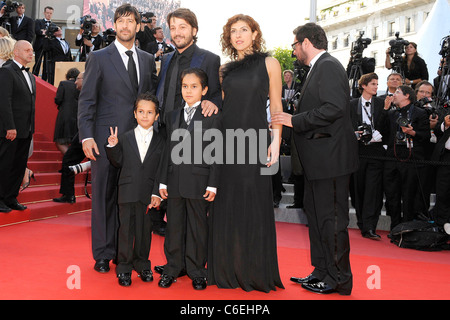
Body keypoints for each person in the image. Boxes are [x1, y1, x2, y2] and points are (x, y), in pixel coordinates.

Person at [271, 23, 358, 295]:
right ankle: (321, 271)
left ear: (306, 42)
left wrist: (294, 120)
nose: (294, 50)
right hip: (317, 162)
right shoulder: (317, 69)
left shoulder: (329, 66)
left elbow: (334, 108)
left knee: (331, 221)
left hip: (330, 161)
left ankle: (339, 279)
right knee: (318, 218)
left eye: (295, 45)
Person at [78, 3, 158, 274]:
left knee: (133, 199)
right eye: (120, 21)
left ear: (138, 26)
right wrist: (86, 136)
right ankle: (103, 252)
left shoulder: (147, 59)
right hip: (104, 139)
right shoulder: (99, 57)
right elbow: (87, 100)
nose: (125, 26)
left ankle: (126, 253)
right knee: (104, 196)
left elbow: (150, 100)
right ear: (114, 25)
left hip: (138, 142)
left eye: (130, 21)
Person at [207, 14, 284, 293]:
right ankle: (227, 269)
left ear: (254, 34)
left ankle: (252, 272)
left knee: (253, 204)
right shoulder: (225, 70)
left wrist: (275, 142)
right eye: (233, 32)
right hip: (227, 143)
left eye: (243, 30)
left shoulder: (270, 63)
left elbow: (276, 106)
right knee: (226, 204)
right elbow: (222, 107)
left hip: (255, 142)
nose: (238, 35)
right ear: (228, 38)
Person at [152, 7, 221, 250]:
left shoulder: (210, 59)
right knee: (167, 199)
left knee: (191, 209)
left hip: (192, 142)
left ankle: (190, 261)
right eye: (173, 27)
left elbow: (215, 97)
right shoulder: (166, 58)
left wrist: (212, 101)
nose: (177, 32)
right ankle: (174, 260)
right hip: (163, 133)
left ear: (194, 29)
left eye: (183, 27)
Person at [158, 68, 221, 290]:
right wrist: (162, 181)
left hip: (199, 181)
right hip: (174, 181)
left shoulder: (212, 116)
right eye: (185, 86)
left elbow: (215, 152)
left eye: (194, 86)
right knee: (173, 226)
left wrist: (213, 183)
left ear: (204, 90)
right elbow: (168, 150)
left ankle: (196, 270)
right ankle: (173, 267)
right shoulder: (172, 115)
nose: (188, 90)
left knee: (197, 227)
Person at [106, 93, 165, 287]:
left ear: (156, 116)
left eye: (150, 112)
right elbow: (118, 162)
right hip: (127, 191)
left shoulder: (162, 141)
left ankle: (142, 265)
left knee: (144, 232)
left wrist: (157, 193)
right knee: (126, 231)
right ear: (134, 113)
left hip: (148, 194)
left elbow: (161, 170)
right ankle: (123, 267)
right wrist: (113, 146)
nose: (145, 116)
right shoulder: (124, 138)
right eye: (141, 111)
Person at [382, 86, 430, 230]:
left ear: (407, 96)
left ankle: (407, 228)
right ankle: (394, 227)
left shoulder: (420, 113)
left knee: (409, 195)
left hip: (411, 159)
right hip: (392, 159)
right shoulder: (391, 114)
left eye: (397, 92)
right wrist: (385, 110)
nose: (394, 95)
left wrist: (412, 132)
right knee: (392, 195)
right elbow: (381, 129)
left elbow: (426, 136)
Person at [350, 73, 387, 240]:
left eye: (377, 84)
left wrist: (381, 137)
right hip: (357, 151)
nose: (376, 87)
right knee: (358, 189)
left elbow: (387, 124)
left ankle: (369, 227)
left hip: (376, 152)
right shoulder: (352, 105)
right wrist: (353, 134)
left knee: (373, 190)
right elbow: (344, 125)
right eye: (372, 83)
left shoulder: (381, 103)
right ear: (363, 86)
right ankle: (362, 223)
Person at [0, 40, 35, 213]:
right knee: (4, 164)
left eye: (32, 50)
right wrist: (10, 126)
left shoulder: (30, 75)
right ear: (16, 52)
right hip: (11, 130)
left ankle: (11, 197)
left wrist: (30, 128)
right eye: (27, 50)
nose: (31, 53)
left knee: (19, 165)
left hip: (26, 129)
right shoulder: (6, 71)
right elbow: (4, 101)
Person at [53, 72, 85, 204]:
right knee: (69, 159)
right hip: (80, 128)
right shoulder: (84, 93)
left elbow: (58, 100)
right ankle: (68, 194)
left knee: (68, 159)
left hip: (86, 133)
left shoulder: (90, 93)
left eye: (77, 79)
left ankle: (68, 194)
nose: (75, 82)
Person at [53, 68, 80, 155]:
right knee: (74, 142)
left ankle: (70, 160)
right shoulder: (81, 85)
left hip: (64, 116)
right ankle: (72, 160)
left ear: (68, 75)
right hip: (78, 117)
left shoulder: (63, 83)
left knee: (60, 142)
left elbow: (58, 99)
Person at [432, 114, 450, 231]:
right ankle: (440, 226)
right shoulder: (448, 112)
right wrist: (446, 125)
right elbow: (437, 130)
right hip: (446, 157)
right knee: (442, 191)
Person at [32, 6, 54, 80]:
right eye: (47, 13)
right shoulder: (38, 21)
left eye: (50, 13)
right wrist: (45, 32)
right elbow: (37, 31)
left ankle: (44, 81)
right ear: (44, 13)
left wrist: (44, 32)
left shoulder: (53, 24)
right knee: (37, 63)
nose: (49, 15)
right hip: (39, 45)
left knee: (46, 65)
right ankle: (34, 78)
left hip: (48, 46)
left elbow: (53, 34)